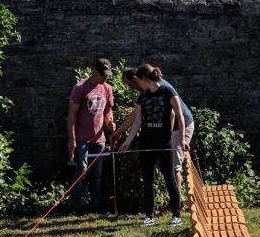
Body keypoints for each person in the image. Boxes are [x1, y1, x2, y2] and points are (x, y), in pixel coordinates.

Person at [118, 62, 185, 226]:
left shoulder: (168, 92)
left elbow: (179, 115)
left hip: (163, 141)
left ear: (144, 78)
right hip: (146, 141)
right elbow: (138, 121)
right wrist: (128, 141)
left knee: (169, 178)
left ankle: (176, 214)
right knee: (148, 180)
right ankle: (149, 215)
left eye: (138, 81)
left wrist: (182, 139)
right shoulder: (143, 96)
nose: (137, 85)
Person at [67, 58, 114, 214]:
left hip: (99, 139)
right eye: (102, 75)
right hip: (82, 139)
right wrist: (72, 139)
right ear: (94, 70)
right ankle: (76, 207)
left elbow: (107, 111)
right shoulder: (80, 87)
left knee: (97, 175)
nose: (105, 78)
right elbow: (72, 115)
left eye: (107, 75)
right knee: (81, 172)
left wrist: (110, 124)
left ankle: (96, 205)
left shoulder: (107, 88)